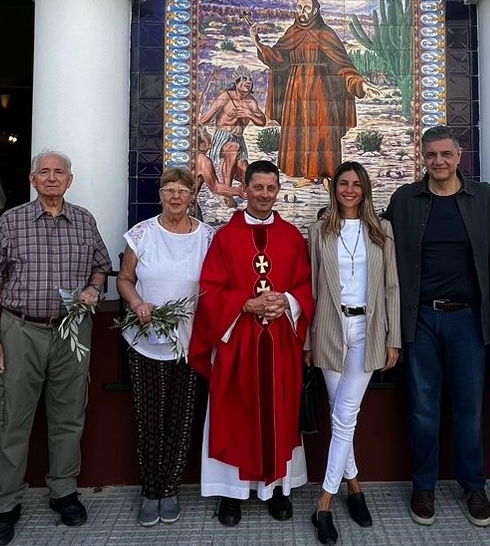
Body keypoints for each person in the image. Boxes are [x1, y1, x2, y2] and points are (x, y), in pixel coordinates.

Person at [0, 150, 112, 546]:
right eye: (44, 172)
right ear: (32, 179)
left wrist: (93, 289)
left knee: (69, 414)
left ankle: (63, 491)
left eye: (59, 172)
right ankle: (7, 503)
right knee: (14, 418)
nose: (52, 178)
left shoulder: (85, 220)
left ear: (69, 180)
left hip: (72, 329)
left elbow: (101, 265)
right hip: (21, 329)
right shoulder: (12, 221)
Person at [189, 159, 315, 527]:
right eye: (257, 187)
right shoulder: (225, 237)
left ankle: (277, 489)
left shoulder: (292, 237)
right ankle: (232, 493)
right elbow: (209, 288)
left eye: (270, 188)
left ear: (278, 191)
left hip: (280, 343)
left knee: (280, 412)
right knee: (235, 413)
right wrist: (245, 303)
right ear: (244, 190)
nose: (263, 194)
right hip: (238, 343)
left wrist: (287, 301)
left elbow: (306, 284)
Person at [383, 125, 490, 527]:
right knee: (423, 409)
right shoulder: (405, 199)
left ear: (458, 156)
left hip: (467, 319)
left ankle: (474, 486)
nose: (439, 161)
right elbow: (379, 239)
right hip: (422, 319)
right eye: (431, 155)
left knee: (469, 408)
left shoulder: (483, 197)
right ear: (423, 157)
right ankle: (424, 486)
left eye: (446, 154)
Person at [305, 161, 401, 544]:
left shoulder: (382, 230)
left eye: (356, 184)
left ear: (365, 190)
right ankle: (355, 486)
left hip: (368, 328)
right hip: (330, 327)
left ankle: (324, 503)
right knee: (339, 412)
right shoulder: (318, 231)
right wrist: (308, 340)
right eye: (343, 183)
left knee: (346, 415)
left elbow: (392, 286)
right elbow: (312, 286)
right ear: (334, 189)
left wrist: (393, 338)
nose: (349, 190)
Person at [115, 167, 215, 527]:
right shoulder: (141, 234)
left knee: (181, 418)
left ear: (192, 198)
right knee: (150, 419)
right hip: (146, 342)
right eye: (169, 190)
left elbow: (216, 286)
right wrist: (137, 303)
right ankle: (150, 491)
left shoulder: (207, 237)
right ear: (160, 195)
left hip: (190, 343)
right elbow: (125, 279)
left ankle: (170, 489)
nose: (175, 196)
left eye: (182, 191)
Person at [249, 0, 380, 185]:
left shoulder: (325, 33)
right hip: (295, 91)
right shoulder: (293, 32)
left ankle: (323, 173)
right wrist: (258, 44)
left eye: (306, 8)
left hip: (322, 90)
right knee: (298, 130)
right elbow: (279, 59)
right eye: (299, 7)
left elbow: (342, 66)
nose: (302, 11)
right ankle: (306, 175)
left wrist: (360, 84)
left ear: (315, 11)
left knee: (323, 130)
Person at [196, 66, 266, 207]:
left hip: (239, 139)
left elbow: (262, 122)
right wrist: (200, 132)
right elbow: (206, 118)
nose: (248, 82)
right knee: (233, 148)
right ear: (236, 81)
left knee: (245, 171)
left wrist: (249, 114)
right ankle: (227, 196)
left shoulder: (251, 101)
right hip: (222, 138)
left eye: (250, 79)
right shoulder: (226, 97)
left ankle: (244, 194)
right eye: (244, 79)